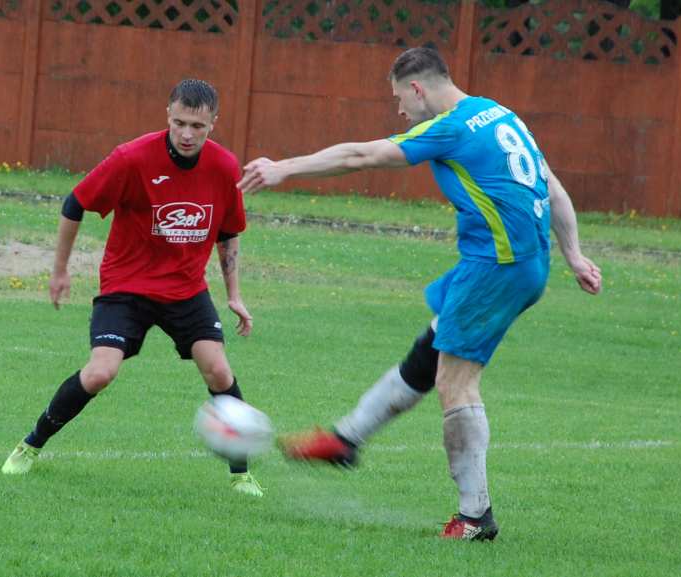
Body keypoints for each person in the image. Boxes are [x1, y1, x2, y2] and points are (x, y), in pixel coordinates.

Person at [237, 47, 602, 536]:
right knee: (429, 353)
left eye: (399, 100)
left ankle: (475, 517)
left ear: (417, 88)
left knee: (456, 383)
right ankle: (347, 438)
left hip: (497, 265)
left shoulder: (448, 126)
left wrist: (285, 168)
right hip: (524, 261)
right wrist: (574, 254)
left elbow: (362, 155)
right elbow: (552, 186)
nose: (400, 112)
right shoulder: (498, 113)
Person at [2, 78, 264, 497]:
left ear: (213, 122)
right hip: (128, 286)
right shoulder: (132, 158)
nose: (187, 134)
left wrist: (233, 293)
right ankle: (31, 444)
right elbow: (75, 203)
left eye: (197, 125)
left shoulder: (224, 167)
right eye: (179, 123)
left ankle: (240, 475)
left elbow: (228, 231)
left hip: (185, 289)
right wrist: (60, 270)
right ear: (168, 116)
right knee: (101, 372)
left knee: (217, 369)